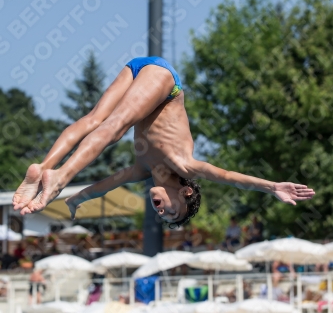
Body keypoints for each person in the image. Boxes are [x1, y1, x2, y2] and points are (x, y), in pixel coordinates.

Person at [12, 56, 315, 226]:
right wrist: (272, 186)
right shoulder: (185, 163)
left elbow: (105, 185)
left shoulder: (143, 170)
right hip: (164, 80)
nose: (162, 212)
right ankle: (60, 178)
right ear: (184, 192)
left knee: (94, 120)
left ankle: (43, 168)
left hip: (137, 69)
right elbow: (230, 178)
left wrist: (79, 199)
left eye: (164, 216)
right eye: (172, 211)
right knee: (116, 126)